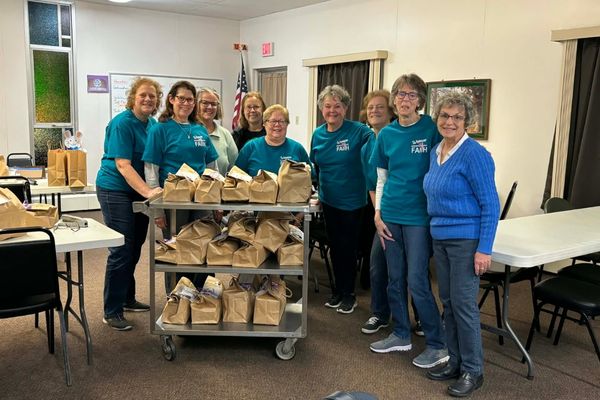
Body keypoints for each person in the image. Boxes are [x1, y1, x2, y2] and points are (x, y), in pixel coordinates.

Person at [423, 92, 500, 397]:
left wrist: (485, 248)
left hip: (466, 241)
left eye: (457, 117)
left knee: (465, 306)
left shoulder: (475, 154)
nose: (449, 121)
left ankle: (473, 370)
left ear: (467, 121)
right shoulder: (436, 151)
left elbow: (490, 204)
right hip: (440, 238)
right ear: (437, 118)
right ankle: (454, 362)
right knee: (450, 304)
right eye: (444, 115)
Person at [369, 74, 447, 369]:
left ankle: (437, 344)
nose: (405, 100)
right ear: (394, 99)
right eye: (400, 94)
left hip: (418, 218)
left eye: (412, 95)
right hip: (390, 216)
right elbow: (382, 178)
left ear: (421, 101)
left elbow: (444, 164)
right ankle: (401, 333)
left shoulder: (430, 129)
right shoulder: (386, 135)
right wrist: (377, 214)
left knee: (417, 280)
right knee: (394, 279)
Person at [96, 77, 164, 331]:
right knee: (121, 249)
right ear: (133, 97)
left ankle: (126, 298)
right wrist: (149, 192)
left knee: (135, 247)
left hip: (139, 192)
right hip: (115, 190)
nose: (148, 99)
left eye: (152, 96)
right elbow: (123, 165)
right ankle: (111, 310)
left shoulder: (152, 124)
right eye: (143, 95)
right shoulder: (122, 124)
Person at [142, 81, 219, 290]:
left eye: (190, 99)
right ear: (172, 100)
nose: (186, 103)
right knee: (178, 250)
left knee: (204, 247)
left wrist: (217, 199)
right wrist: (156, 207)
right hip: (174, 202)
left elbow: (212, 165)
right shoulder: (160, 130)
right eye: (182, 99)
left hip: (202, 201)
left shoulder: (200, 130)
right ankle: (177, 300)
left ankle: (204, 298)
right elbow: (151, 170)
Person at [310, 84, 373, 314]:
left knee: (348, 249)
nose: (332, 110)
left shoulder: (359, 131)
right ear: (321, 109)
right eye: (327, 106)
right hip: (328, 201)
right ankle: (338, 290)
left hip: (353, 202)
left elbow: (379, 139)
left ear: (346, 108)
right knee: (335, 248)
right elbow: (315, 166)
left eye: (337, 105)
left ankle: (349, 294)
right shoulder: (317, 134)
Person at [358, 90, 394, 334]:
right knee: (377, 265)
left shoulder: (399, 137)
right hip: (382, 213)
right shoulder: (367, 146)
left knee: (413, 270)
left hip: (408, 213)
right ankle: (380, 314)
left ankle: (422, 318)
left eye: (380, 107)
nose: (374, 111)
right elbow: (372, 183)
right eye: (370, 107)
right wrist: (377, 214)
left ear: (391, 111)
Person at [235, 104, 310, 177]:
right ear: (264, 123)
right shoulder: (251, 147)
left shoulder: (297, 149)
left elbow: (310, 178)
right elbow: (236, 177)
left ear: (287, 124)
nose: (277, 125)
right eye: (273, 121)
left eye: (282, 121)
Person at [197, 87, 238, 175]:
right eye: (205, 103)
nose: (210, 107)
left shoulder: (225, 134)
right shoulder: (188, 132)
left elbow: (235, 168)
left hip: (219, 187)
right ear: (196, 105)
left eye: (213, 104)